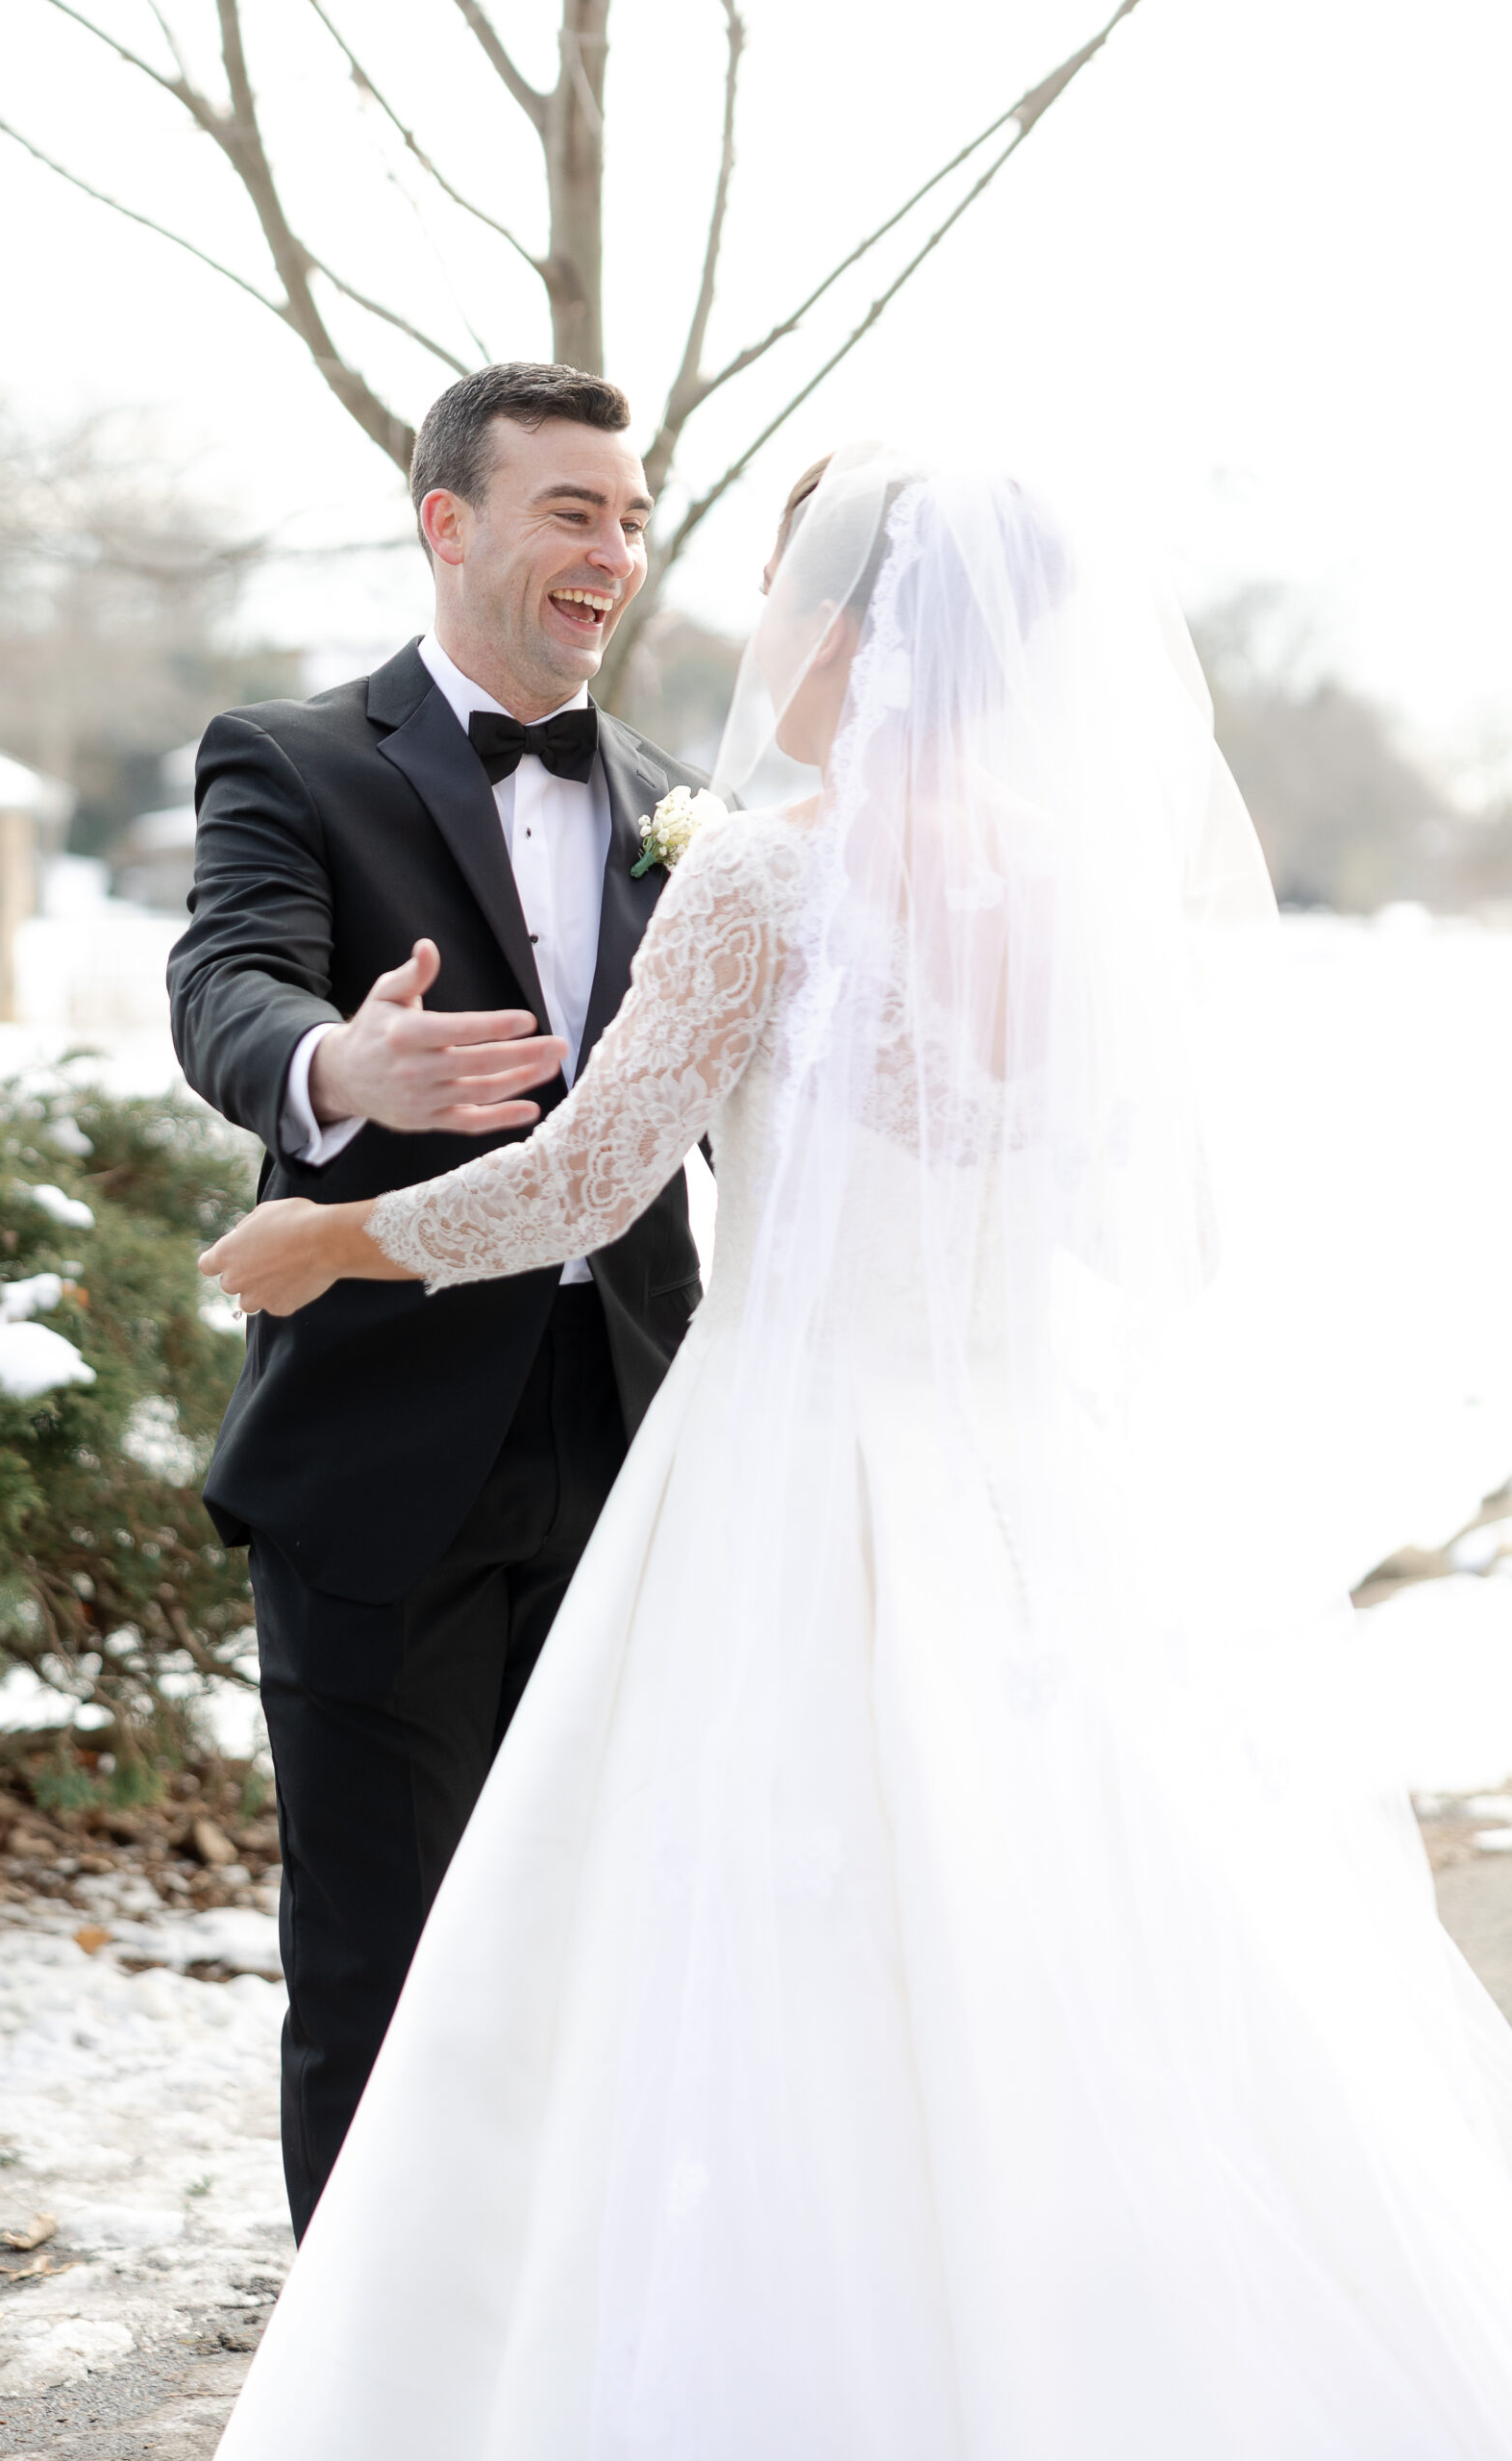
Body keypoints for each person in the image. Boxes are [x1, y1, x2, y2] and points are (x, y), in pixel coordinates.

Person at [203, 447, 1512, 2458]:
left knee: (744, 1937)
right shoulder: (1079, 893)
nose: (754, 617)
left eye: (791, 582)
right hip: (1022, 1474)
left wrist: (335, 1233)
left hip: (788, 1460)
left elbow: (581, 1181)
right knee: (1045, 1927)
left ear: (852, 628)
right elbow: (1139, 1225)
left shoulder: (762, 867)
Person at [167, 362, 710, 2239]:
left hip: (645, 1442)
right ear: (447, 519)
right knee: (382, 1957)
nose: (612, 553)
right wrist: (335, 1066)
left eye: (629, 517)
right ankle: (363, 2374)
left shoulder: (675, 808)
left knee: (599, 1947)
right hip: (383, 1450)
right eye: (573, 509)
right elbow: (222, 978)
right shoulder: (293, 754)